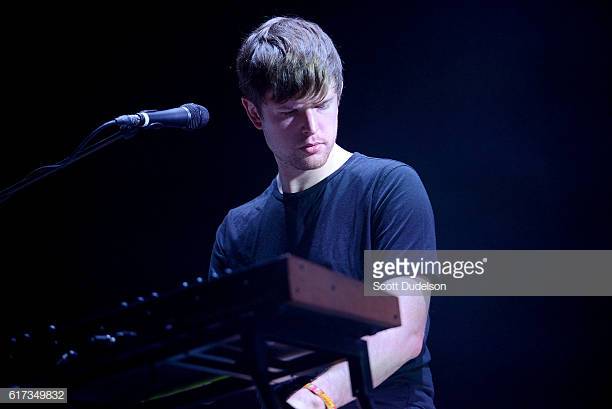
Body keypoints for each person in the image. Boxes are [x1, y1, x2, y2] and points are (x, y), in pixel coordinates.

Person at [209, 16, 436, 409]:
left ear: (340, 92)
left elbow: (404, 333)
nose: (311, 127)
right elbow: (232, 365)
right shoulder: (238, 231)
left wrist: (314, 400)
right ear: (254, 113)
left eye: (322, 104)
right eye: (289, 112)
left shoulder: (390, 187)